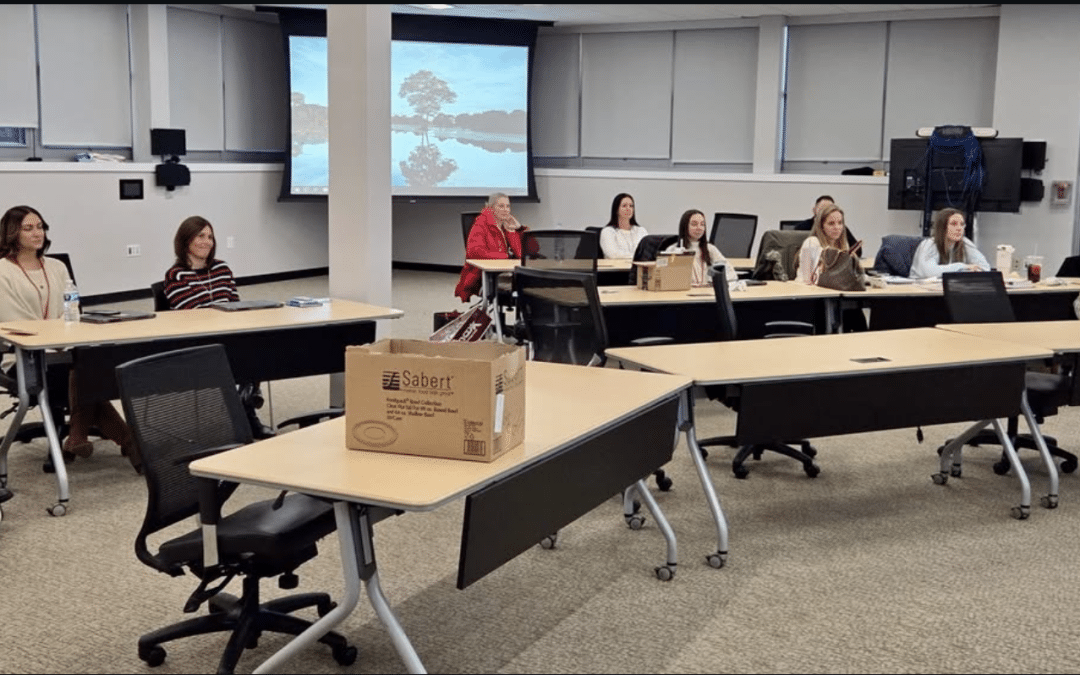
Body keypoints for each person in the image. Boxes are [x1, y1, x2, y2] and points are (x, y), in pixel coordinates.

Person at [0, 205, 139, 471]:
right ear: (11, 233)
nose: (37, 233)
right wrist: (54, 341)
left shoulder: (57, 267)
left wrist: (64, 339)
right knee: (82, 373)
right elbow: (11, 323)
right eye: (28, 228)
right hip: (26, 357)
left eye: (40, 227)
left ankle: (77, 436)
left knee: (87, 364)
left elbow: (72, 312)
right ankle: (127, 441)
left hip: (65, 349)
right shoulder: (2, 271)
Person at [163, 216, 274, 439]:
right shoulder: (176, 275)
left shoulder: (221, 268)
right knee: (246, 351)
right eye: (200, 236)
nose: (207, 242)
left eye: (210, 237)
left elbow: (235, 303)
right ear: (186, 240)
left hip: (229, 333)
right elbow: (192, 313)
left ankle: (246, 398)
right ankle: (248, 405)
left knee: (261, 340)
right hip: (199, 340)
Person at [454, 192, 535, 303]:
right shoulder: (480, 224)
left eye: (508, 206)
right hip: (485, 278)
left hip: (507, 274)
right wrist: (505, 257)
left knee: (534, 286)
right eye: (501, 206)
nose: (506, 210)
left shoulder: (507, 225)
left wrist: (517, 229)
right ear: (491, 208)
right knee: (526, 287)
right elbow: (474, 252)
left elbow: (524, 253)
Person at [909, 208, 990, 279]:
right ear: (942, 227)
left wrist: (966, 271)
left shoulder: (965, 243)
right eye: (954, 224)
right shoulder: (929, 244)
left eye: (962, 224)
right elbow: (930, 272)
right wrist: (962, 266)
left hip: (947, 287)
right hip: (919, 288)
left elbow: (985, 268)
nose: (959, 228)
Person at [664, 209, 738, 286]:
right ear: (684, 226)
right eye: (694, 224)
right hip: (684, 291)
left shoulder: (710, 249)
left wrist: (714, 281)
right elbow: (665, 278)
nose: (699, 228)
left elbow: (730, 273)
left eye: (702, 224)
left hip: (706, 290)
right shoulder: (673, 250)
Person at [795, 203, 860, 285]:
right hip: (807, 290)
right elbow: (808, 279)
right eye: (831, 223)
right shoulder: (811, 243)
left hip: (833, 289)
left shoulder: (842, 244)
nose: (837, 227)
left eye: (840, 223)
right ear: (821, 226)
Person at [599, 193, 648, 259]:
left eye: (631, 206)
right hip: (617, 265)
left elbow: (647, 252)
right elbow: (613, 254)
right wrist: (637, 257)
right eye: (624, 206)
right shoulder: (608, 232)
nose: (628, 209)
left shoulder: (641, 231)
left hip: (639, 265)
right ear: (616, 210)